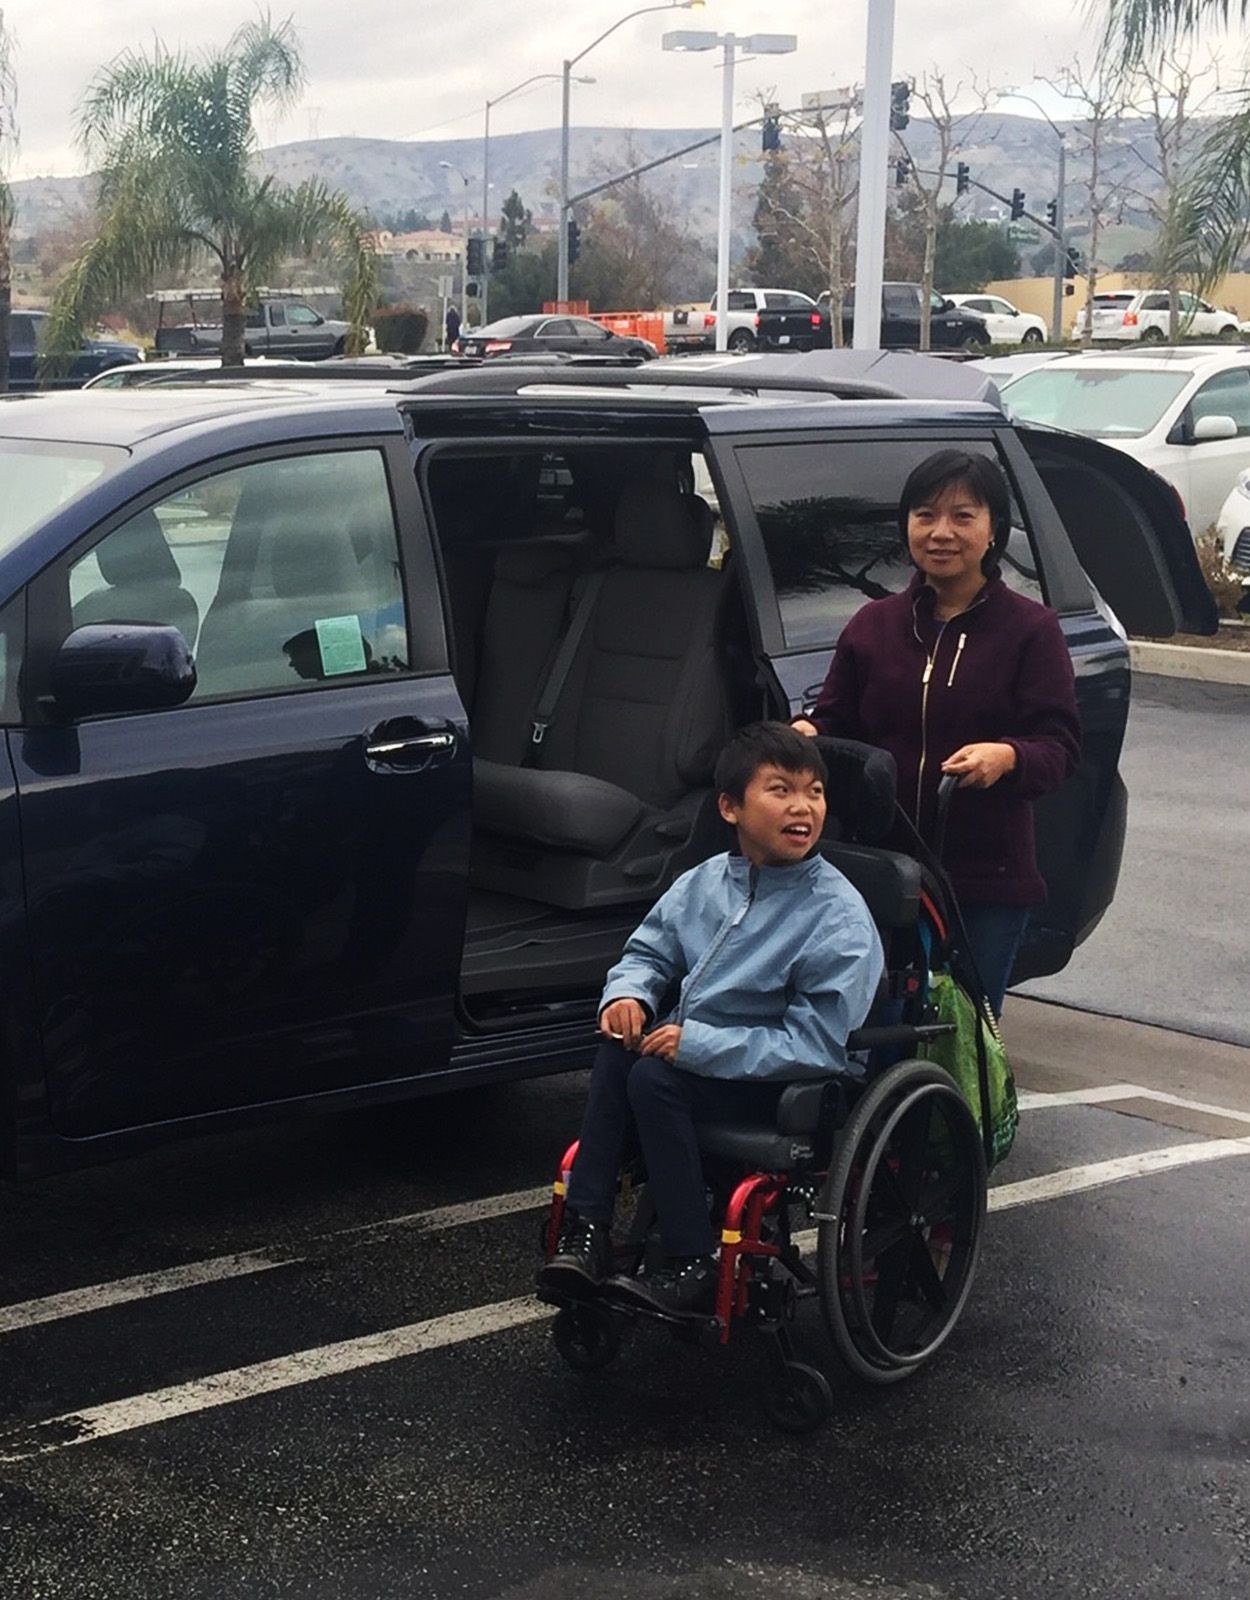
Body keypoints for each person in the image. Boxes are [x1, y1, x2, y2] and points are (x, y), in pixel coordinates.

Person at [537, 722, 884, 1319]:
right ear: (730, 807)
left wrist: (700, 1044)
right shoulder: (704, 882)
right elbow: (647, 954)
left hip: (780, 1081)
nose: (803, 807)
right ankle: (587, 1233)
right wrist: (630, 998)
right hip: (694, 1062)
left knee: (650, 1078)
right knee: (620, 1048)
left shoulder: (838, 917)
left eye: (815, 792)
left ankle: (693, 1262)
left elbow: (817, 1043)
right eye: (780, 790)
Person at [792, 449, 1081, 1017]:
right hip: (880, 871)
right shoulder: (873, 625)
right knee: (874, 1030)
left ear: (994, 528)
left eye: (962, 517)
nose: (941, 532)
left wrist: (1008, 757)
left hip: (987, 878)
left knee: (962, 1035)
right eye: (925, 515)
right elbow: (837, 722)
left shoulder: (1031, 630)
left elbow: (1060, 746)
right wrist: (808, 733)